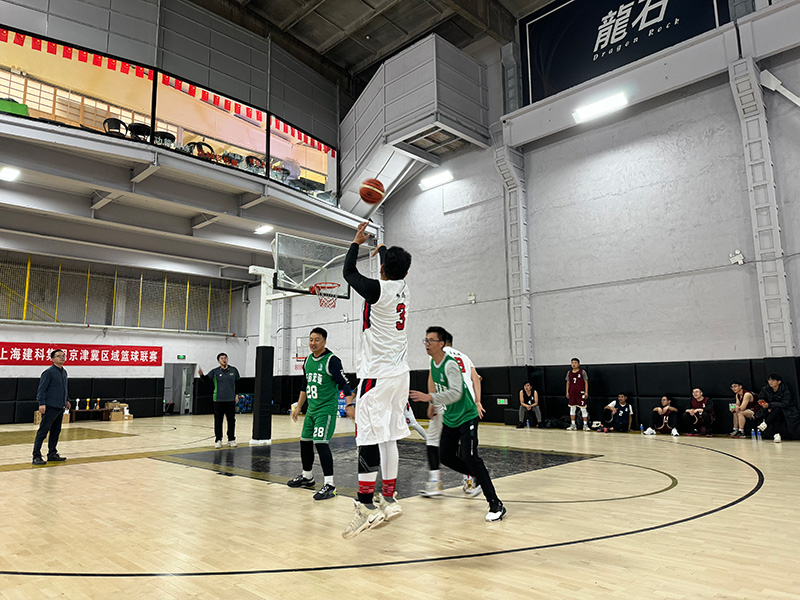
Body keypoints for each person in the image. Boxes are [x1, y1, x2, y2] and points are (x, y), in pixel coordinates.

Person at [341, 221, 412, 539]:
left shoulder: (377, 290)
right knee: (389, 437)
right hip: (400, 375)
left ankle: (366, 505)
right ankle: (390, 498)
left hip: (376, 376)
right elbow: (389, 267)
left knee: (368, 437)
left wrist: (356, 242)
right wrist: (381, 248)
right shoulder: (404, 287)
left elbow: (348, 273)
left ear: (382, 269)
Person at [410, 326, 506, 522]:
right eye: (425, 340)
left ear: (442, 344)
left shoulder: (450, 364)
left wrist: (430, 398)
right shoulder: (434, 362)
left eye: (431, 341)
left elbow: (456, 393)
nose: (426, 344)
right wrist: (433, 404)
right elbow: (437, 382)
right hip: (450, 417)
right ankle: (477, 475)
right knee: (445, 456)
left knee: (470, 457)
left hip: (467, 416)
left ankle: (496, 504)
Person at [288, 327, 354, 500]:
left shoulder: (332, 360)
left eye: (317, 340)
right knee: (305, 441)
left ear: (324, 341)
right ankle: (307, 477)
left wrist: (349, 404)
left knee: (320, 442)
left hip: (326, 410)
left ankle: (330, 485)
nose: (313, 343)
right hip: (311, 410)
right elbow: (305, 385)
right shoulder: (308, 360)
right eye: (311, 339)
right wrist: (298, 406)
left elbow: (344, 383)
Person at [418, 329, 484, 497]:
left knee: (433, 440)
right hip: (466, 403)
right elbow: (476, 378)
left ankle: (435, 483)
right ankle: (470, 481)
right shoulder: (464, 356)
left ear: (441, 342)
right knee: (464, 445)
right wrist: (477, 401)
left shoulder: (439, 356)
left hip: (447, 402)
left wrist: (432, 402)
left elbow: (432, 378)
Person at [32, 349, 71, 465]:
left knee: (56, 431)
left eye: (63, 355)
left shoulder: (64, 372)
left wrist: (67, 400)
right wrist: (41, 403)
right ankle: (36, 455)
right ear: (52, 359)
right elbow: (42, 389)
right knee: (43, 431)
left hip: (60, 406)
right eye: (59, 356)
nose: (62, 357)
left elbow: (64, 388)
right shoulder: (48, 372)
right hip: (50, 406)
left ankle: (52, 453)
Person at [198, 353, 241, 448]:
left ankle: (231, 439)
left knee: (231, 420)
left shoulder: (234, 370)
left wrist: (237, 395)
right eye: (222, 358)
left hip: (230, 399)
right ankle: (218, 440)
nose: (224, 360)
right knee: (218, 420)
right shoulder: (215, 371)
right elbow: (205, 379)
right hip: (218, 399)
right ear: (218, 361)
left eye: (225, 358)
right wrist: (201, 375)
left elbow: (237, 382)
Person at [756, 373, 800, 443]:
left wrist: (770, 405)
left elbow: (785, 404)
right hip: (769, 409)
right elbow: (761, 399)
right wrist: (764, 405)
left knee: (777, 410)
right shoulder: (765, 389)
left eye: (773, 380)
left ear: (779, 382)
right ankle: (776, 435)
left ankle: (766, 424)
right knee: (775, 413)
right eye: (769, 380)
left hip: (786, 410)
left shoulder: (785, 390)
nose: (770, 382)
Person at [566, 358, 590, 430]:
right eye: (572, 363)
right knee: (572, 408)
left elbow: (586, 382)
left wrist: (586, 392)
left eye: (575, 363)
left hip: (581, 393)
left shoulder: (582, 372)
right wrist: (567, 392)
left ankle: (585, 425)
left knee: (583, 409)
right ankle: (573, 424)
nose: (573, 364)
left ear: (578, 364)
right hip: (572, 393)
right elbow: (568, 383)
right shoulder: (569, 373)